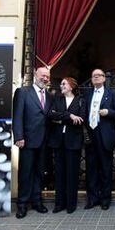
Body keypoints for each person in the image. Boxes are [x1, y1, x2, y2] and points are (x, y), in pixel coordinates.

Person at [12, 66, 52, 219]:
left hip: (44, 142)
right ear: (35, 74)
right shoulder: (23, 92)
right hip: (27, 140)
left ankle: (37, 201)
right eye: (43, 75)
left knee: (39, 173)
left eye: (47, 77)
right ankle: (22, 205)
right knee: (25, 173)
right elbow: (17, 116)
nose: (45, 79)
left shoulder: (49, 95)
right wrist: (18, 137)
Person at [47, 77, 86, 214]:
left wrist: (61, 118)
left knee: (72, 174)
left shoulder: (81, 100)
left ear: (71, 86)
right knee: (59, 174)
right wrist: (69, 116)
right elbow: (51, 115)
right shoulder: (56, 99)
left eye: (64, 84)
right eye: (61, 84)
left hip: (73, 141)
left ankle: (71, 204)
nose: (61, 85)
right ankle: (59, 204)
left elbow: (81, 119)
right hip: (58, 141)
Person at [84, 69, 115, 210]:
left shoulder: (112, 94)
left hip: (105, 135)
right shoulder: (87, 94)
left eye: (99, 75)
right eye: (94, 76)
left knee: (106, 169)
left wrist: (108, 112)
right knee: (91, 169)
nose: (96, 78)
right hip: (91, 135)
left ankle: (105, 199)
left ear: (104, 78)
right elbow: (84, 112)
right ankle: (92, 199)